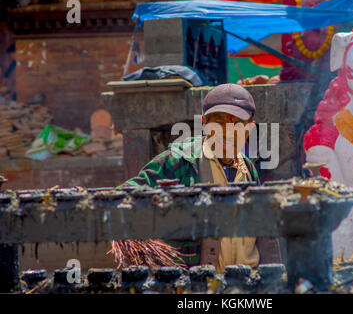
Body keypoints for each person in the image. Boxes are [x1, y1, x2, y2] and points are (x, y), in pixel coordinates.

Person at [112, 83, 281, 273]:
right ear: (204, 123)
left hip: (247, 280)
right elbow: (120, 199)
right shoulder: (180, 160)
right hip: (199, 282)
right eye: (218, 123)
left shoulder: (249, 169)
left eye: (237, 124)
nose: (226, 132)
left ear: (249, 128)